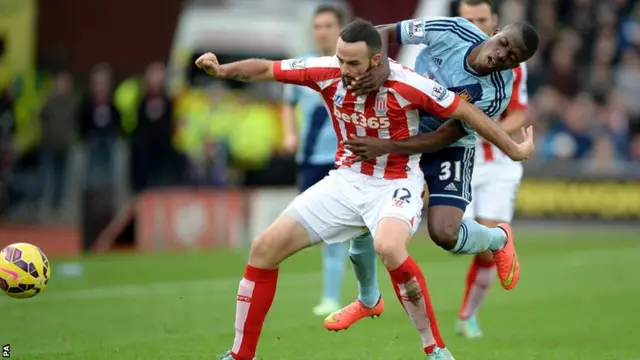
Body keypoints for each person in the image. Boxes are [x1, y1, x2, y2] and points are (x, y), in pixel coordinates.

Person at [196, 19, 534, 360]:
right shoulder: (330, 68)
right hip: (348, 178)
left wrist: (514, 149)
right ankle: (242, 354)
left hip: (408, 169)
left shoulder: (416, 85)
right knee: (264, 248)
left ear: (374, 63)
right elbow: (266, 69)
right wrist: (222, 70)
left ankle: (437, 347)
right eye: (340, 59)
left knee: (417, 238)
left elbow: (460, 119)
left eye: (352, 63)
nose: (343, 69)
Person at [324, 14, 539, 332]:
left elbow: (443, 136)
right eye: (504, 44)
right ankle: (367, 299)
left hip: (447, 147)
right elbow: (380, 31)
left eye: (512, 58)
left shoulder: (495, 92)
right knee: (363, 213)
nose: (501, 55)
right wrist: (381, 67)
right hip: (399, 126)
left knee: (444, 234)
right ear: (494, 33)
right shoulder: (451, 29)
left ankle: (497, 238)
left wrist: (387, 149)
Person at [453, 0, 530, 339]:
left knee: (484, 241)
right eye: (468, 20)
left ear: (495, 22)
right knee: (455, 235)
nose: (475, 25)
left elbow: (519, 114)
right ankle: (499, 240)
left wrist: (481, 124)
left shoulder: (512, 64)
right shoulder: (449, 54)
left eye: (481, 19)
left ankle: (468, 316)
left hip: (497, 162)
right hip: (460, 158)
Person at [281, 5, 350, 317]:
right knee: (316, 227)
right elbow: (287, 103)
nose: (322, 30)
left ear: (339, 28)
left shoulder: (352, 65)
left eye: (328, 25)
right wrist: (289, 133)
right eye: (317, 26)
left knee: (339, 230)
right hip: (310, 160)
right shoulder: (303, 65)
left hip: (344, 159)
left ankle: (333, 297)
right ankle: (339, 295)